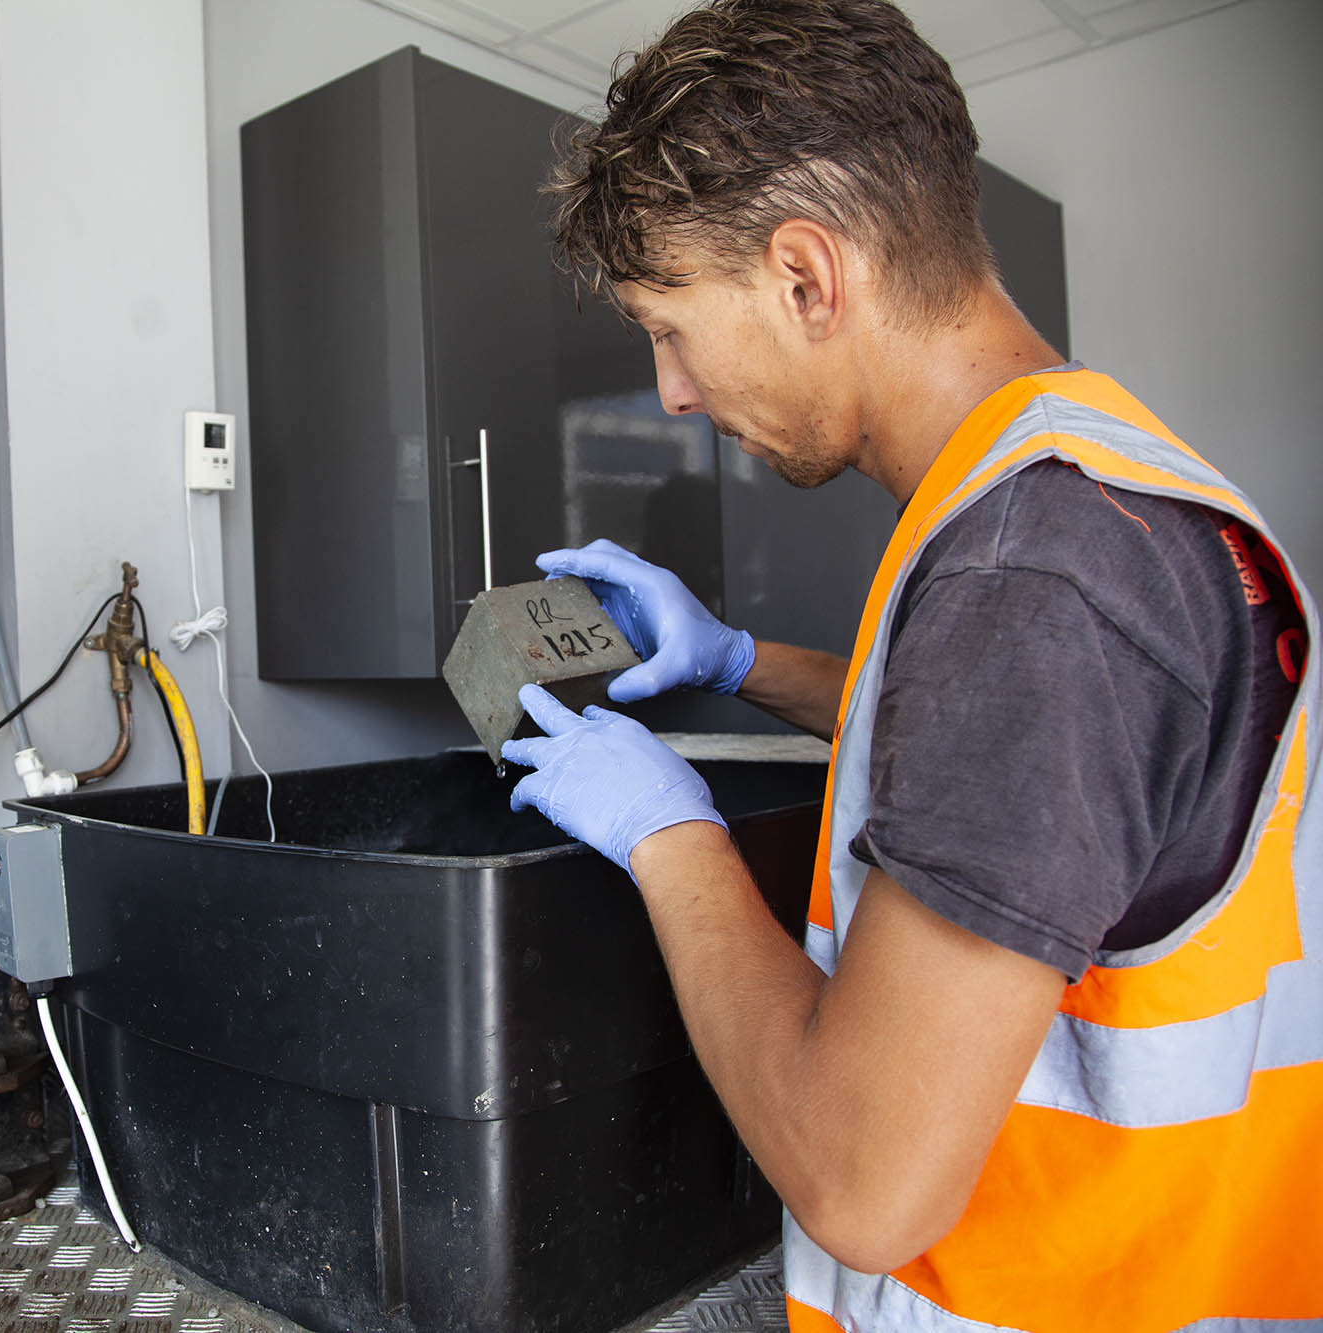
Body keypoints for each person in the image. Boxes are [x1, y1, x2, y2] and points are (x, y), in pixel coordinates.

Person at [496, 2, 1323, 1330]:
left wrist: (668, 837)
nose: (673, 393)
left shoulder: (1029, 583)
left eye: (669, 325)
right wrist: (737, 655)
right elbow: (1032, 779)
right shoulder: (1090, 493)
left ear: (808, 278)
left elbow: (864, 1180)